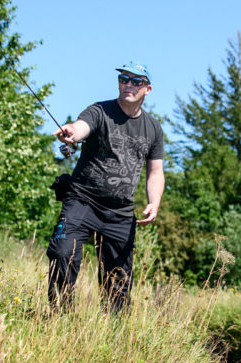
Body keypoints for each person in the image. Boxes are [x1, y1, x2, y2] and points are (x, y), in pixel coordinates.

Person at [47, 62, 165, 313]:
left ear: (148, 89)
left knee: (119, 281)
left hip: (120, 213)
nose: (129, 85)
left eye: (136, 81)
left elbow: (155, 172)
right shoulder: (100, 111)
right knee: (62, 252)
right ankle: (58, 319)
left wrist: (154, 202)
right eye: (124, 79)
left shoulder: (153, 128)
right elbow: (81, 127)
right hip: (82, 201)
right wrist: (72, 131)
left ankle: (113, 335)